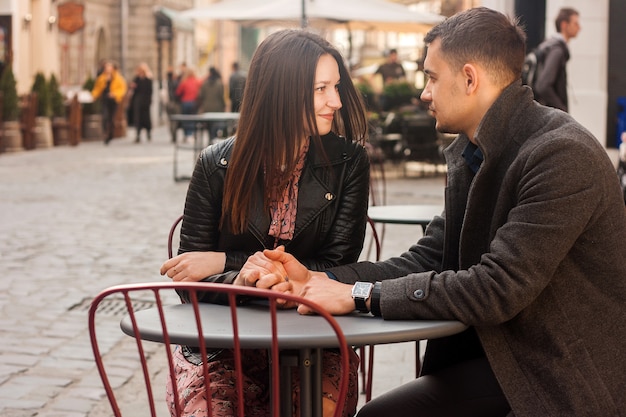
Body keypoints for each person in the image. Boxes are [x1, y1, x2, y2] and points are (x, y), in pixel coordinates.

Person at [240, 7, 626, 417]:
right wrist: (321, 278)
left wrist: (358, 296)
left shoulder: (561, 154)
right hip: (506, 361)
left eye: (431, 77)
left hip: (564, 378)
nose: (424, 92)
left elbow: (496, 289)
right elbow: (428, 258)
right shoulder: (475, 152)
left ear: (470, 79)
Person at [160, 29, 370, 417]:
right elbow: (187, 282)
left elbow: (339, 268)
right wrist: (239, 279)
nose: (336, 101)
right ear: (282, 93)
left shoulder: (349, 163)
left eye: (336, 87)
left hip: (315, 336)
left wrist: (226, 261)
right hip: (226, 341)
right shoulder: (216, 164)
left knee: (320, 408)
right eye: (321, 88)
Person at [533, 7, 580, 112]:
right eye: (575, 24)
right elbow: (543, 85)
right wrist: (561, 110)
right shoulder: (557, 51)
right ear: (564, 25)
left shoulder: (551, 46)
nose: (579, 28)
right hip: (551, 117)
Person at [91, 61, 127, 144]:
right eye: (106, 67)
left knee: (111, 118)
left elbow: (122, 89)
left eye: (109, 67)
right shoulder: (102, 78)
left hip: (114, 100)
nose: (107, 69)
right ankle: (105, 133)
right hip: (104, 99)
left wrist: (114, 94)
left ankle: (110, 134)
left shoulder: (118, 78)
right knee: (105, 116)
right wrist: (94, 95)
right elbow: (97, 88)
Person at [196, 66, 226, 138]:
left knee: (209, 124)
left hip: (207, 108)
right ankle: (214, 138)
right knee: (216, 124)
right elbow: (221, 96)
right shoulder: (219, 84)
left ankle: (210, 138)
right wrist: (223, 106)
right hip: (217, 108)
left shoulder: (204, 84)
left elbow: (201, 96)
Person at [128, 63, 153, 143]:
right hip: (137, 101)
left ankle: (148, 133)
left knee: (146, 118)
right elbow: (133, 89)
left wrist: (149, 101)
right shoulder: (137, 79)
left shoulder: (148, 79)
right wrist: (132, 87)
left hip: (145, 101)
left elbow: (150, 91)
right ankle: (138, 135)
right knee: (137, 118)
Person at [175, 67, 201, 141]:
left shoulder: (184, 82)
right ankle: (192, 134)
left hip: (185, 102)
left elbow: (178, 92)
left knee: (185, 119)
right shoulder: (197, 81)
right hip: (193, 102)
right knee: (193, 119)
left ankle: (187, 135)